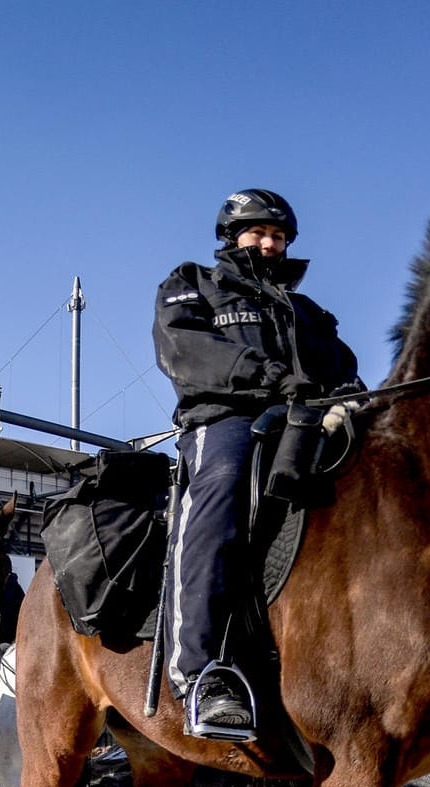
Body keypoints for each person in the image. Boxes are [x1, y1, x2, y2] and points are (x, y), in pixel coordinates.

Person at [154, 189, 360, 741]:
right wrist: (265, 374)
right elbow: (184, 350)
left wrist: (356, 396)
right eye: (259, 232)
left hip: (307, 421)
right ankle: (198, 674)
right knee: (221, 485)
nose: (270, 243)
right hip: (228, 421)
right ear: (232, 236)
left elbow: (343, 368)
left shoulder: (308, 312)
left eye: (280, 236)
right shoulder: (193, 284)